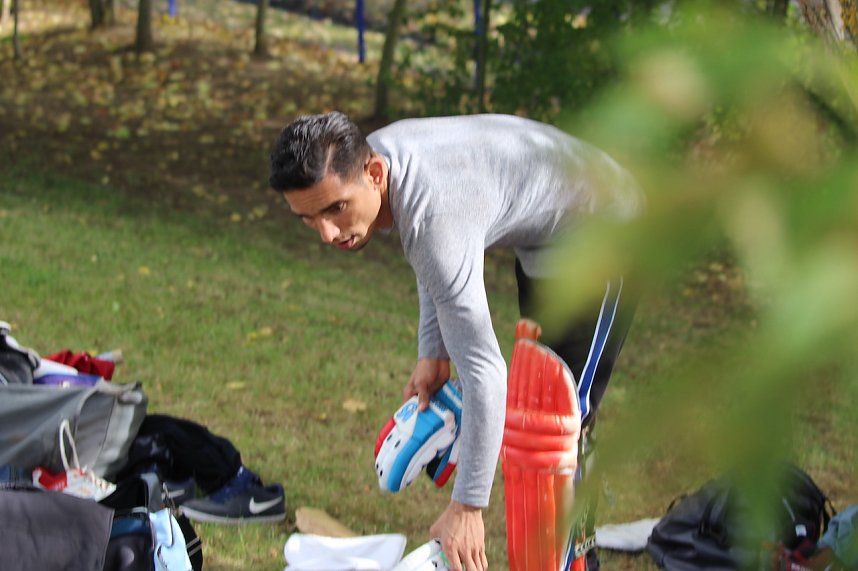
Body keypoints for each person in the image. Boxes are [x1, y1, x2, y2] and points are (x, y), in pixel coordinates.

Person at [268, 111, 642, 571]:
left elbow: (486, 371)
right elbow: (430, 254)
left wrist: (468, 508)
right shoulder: (382, 160)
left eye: (335, 209)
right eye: (307, 218)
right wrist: (434, 353)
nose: (326, 233)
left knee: (557, 426)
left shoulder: (430, 209)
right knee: (541, 418)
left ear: (374, 174)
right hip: (549, 239)